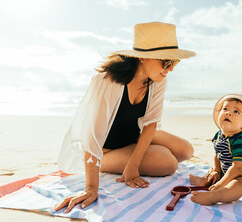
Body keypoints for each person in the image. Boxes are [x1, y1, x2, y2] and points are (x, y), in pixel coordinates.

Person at [54, 22, 196, 212]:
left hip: (133, 136)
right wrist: (91, 187)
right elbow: (93, 135)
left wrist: (133, 166)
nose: (170, 69)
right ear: (143, 58)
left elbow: (150, 124)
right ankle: (111, 162)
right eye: (166, 62)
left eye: (174, 62)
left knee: (186, 150)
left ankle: (133, 155)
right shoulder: (109, 81)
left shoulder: (157, 80)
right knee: (167, 163)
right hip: (105, 150)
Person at [189, 94, 242, 205]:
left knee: (239, 182)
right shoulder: (218, 136)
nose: (228, 113)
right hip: (230, 172)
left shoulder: (240, 141)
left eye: (236, 112)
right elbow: (217, 155)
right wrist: (217, 170)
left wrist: (220, 185)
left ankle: (215, 196)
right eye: (225, 109)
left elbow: (239, 169)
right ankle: (206, 181)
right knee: (215, 174)